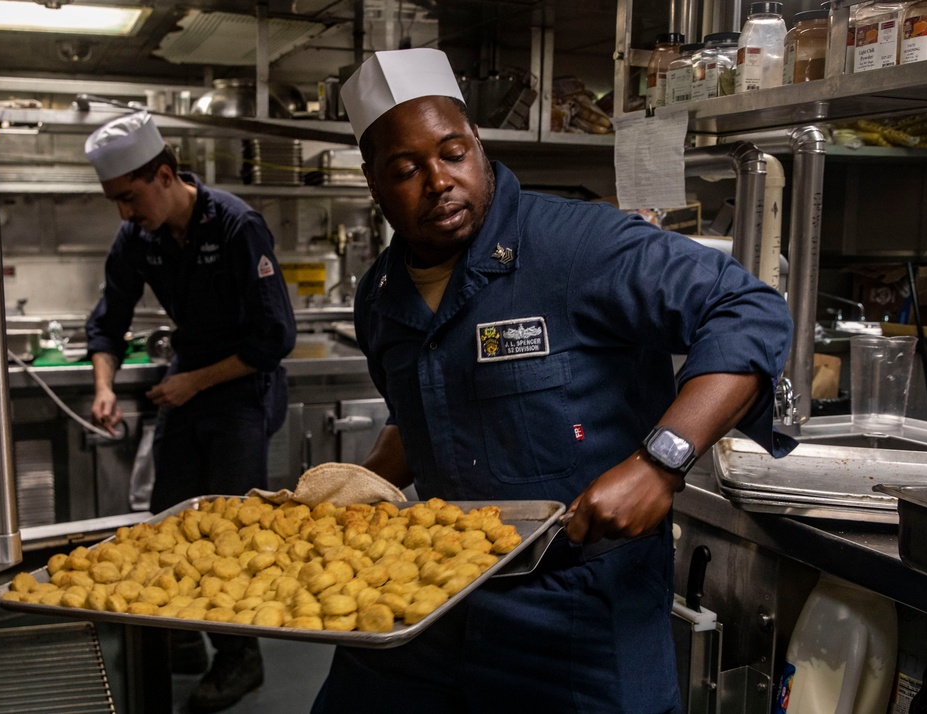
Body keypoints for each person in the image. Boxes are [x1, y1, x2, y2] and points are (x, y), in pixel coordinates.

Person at [311, 48, 796, 713]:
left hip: (578, 616)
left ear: (476, 145)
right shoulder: (382, 298)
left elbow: (748, 307)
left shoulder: (579, 247)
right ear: (372, 182)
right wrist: (362, 486)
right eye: (405, 169)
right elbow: (424, 411)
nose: (439, 181)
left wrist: (661, 462)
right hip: (435, 596)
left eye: (452, 153)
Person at [83, 111, 296, 714]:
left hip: (240, 386)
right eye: (115, 202)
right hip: (189, 381)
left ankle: (240, 660)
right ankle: (183, 637)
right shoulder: (138, 238)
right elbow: (109, 320)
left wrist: (194, 383)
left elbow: (273, 338)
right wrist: (104, 386)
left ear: (166, 175)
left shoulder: (235, 226)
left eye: (129, 197)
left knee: (229, 530)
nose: (124, 213)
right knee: (165, 517)